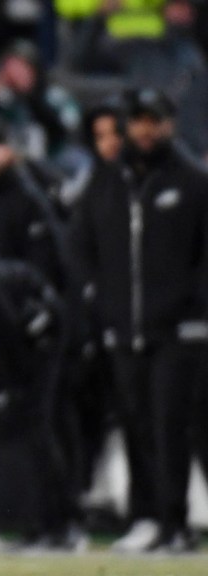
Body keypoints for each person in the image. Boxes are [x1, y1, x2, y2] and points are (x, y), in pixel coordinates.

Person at [69, 87, 208, 553]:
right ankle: (146, 517)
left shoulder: (193, 181)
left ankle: (176, 523)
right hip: (123, 329)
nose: (146, 129)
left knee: (171, 427)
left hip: (179, 331)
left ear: (170, 122)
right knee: (136, 424)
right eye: (139, 120)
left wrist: (194, 309)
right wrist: (100, 303)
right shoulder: (107, 182)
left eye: (155, 120)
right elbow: (83, 247)